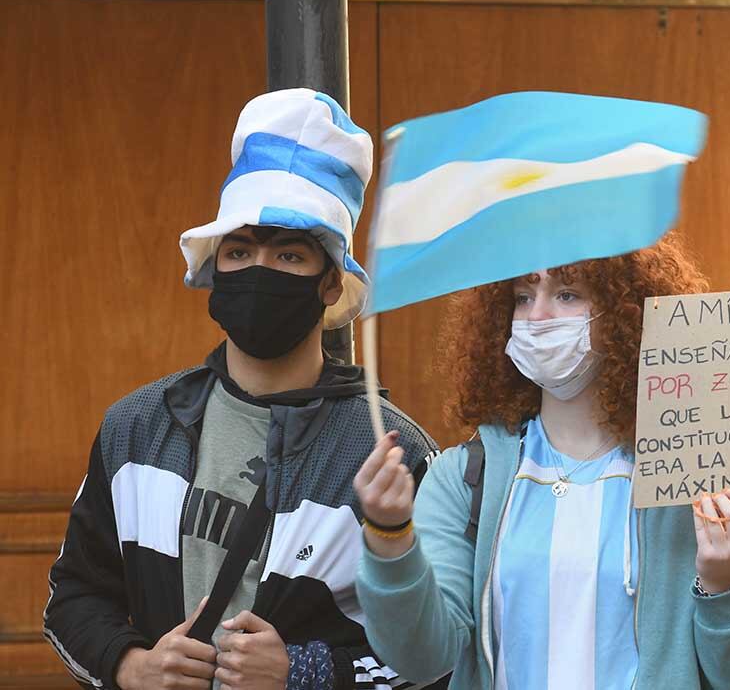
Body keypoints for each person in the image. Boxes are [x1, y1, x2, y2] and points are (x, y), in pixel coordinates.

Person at [43, 89, 440, 690]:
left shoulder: (391, 455)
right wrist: (132, 667)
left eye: (289, 254)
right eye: (238, 250)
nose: (259, 269)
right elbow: (73, 597)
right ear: (213, 270)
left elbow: (436, 653)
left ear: (332, 283)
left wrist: (302, 673)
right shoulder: (137, 428)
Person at [353, 233, 730, 689]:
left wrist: (725, 586)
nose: (538, 316)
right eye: (523, 297)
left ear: (628, 311)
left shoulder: (706, 471)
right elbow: (421, 656)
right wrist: (390, 539)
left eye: (567, 294)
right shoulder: (465, 478)